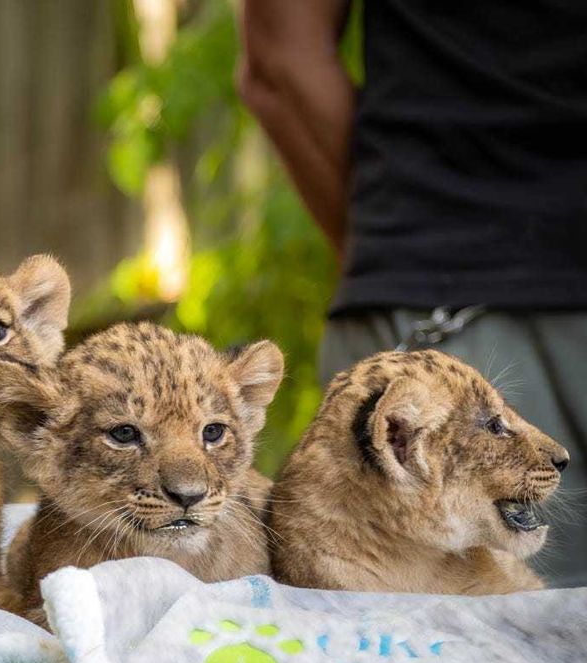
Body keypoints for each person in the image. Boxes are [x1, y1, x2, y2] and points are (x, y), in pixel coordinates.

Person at [239, 0, 587, 586]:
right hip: (455, 317)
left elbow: (280, 57)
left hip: (440, 273)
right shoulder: (410, 408)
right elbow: (281, 59)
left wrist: (399, 250)